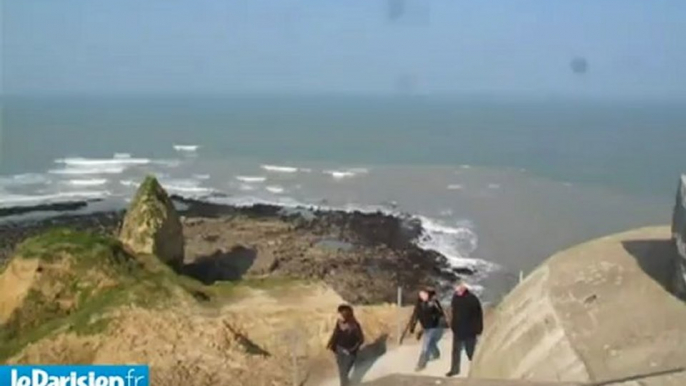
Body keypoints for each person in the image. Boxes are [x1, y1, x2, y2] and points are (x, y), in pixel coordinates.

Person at [446, 281, 483, 377]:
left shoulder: (472, 299)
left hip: (469, 331)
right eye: (456, 287)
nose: (456, 289)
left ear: (463, 288)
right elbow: (452, 311)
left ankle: (477, 369)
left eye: (458, 287)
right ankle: (454, 370)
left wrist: (478, 329)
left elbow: (478, 314)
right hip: (457, 329)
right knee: (455, 351)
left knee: (470, 352)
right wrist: (452, 325)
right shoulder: (455, 298)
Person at [407, 288, 446, 371]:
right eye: (421, 295)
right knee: (430, 342)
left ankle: (420, 364)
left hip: (433, 326)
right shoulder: (419, 304)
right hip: (425, 326)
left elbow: (440, 313)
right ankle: (436, 354)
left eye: (424, 295)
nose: (423, 296)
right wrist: (412, 327)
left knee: (425, 344)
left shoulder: (433, 302)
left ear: (427, 294)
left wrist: (436, 316)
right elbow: (415, 316)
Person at [327, 304, 365, 386]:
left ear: (346, 315)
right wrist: (330, 344)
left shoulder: (354, 326)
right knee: (342, 373)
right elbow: (335, 334)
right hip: (339, 350)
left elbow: (361, 340)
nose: (338, 315)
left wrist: (351, 350)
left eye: (340, 314)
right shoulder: (339, 323)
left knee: (344, 373)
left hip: (349, 354)